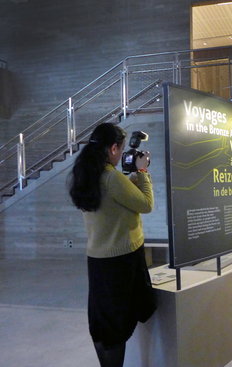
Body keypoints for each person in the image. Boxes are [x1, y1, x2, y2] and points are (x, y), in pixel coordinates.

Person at [68, 122, 156, 367]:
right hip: (122, 259)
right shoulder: (111, 177)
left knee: (103, 324)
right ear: (114, 148)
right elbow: (146, 205)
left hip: (97, 260)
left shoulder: (86, 173)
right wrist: (143, 172)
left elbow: (115, 201)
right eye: (122, 149)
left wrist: (132, 178)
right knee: (117, 328)